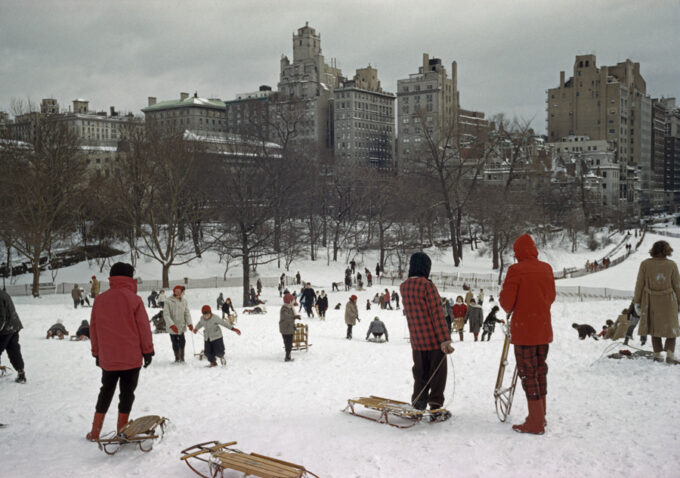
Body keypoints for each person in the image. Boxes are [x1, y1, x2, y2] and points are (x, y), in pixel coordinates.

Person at [86, 262, 154, 441]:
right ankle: (121, 431)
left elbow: (93, 328)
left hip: (108, 358)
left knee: (106, 390)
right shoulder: (134, 299)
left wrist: (96, 353)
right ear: (130, 278)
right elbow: (143, 328)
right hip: (131, 358)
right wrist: (148, 351)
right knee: (127, 393)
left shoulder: (100, 299)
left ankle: (95, 432)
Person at [499, 233, 555, 435]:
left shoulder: (516, 270)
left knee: (528, 373)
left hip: (524, 331)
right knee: (540, 370)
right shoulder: (546, 268)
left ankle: (535, 421)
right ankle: (541, 415)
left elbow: (506, 303)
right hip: (542, 329)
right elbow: (551, 297)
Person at [400, 252, 454, 416]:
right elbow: (437, 314)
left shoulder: (404, 286)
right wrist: (445, 340)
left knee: (420, 373)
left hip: (417, 340)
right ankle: (436, 407)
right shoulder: (427, 286)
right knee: (437, 374)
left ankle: (418, 404)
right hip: (434, 340)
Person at [633, 240, 680, 364]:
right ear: (667, 251)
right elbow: (677, 286)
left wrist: (637, 301)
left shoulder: (645, 264)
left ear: (653, 250)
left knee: (654, 328)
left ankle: (657, 355)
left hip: (650, 301)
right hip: (669, 301)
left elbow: (639, 284)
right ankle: (670, 355)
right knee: (671, 329)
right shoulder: (672, 265)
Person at [0, 289, 26, 383]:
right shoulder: (3, 293)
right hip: (14, 325)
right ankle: (21, 373)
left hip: (6, 328)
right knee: (13, 350)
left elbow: (1, 317)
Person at [164, 285, 193, 363]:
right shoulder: (168, 301)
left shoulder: (184, 301)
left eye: (182, 292)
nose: (182, 293)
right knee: (175, 342)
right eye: (181, 292)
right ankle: (177, 358)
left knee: (182, 341)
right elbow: (166, 314)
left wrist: (189, 323)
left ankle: (182, 358)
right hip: (172, 326)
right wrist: (172, 325)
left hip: (181, 325)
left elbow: (187, 313)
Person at [279, 293, 301, 362]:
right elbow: (286, 316)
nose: (294, 301)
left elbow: (291, 317)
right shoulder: (284, 309)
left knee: (289, 343)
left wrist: (295, 317)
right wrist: (294, 317)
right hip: (286, 329)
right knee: (288, 343)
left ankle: (288, 356)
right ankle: (287, 357)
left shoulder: (290, 308)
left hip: (289, 328)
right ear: (289, 301)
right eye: (293, 300)